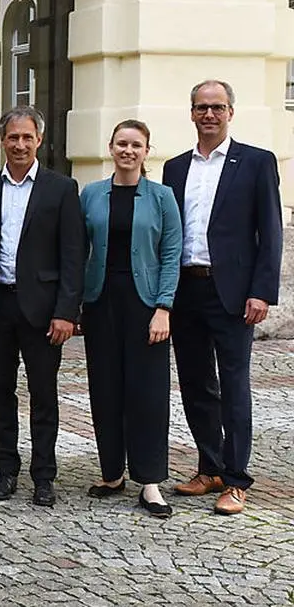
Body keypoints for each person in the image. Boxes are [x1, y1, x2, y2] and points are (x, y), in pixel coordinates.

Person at [162, 80, 283, 516]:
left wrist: (261, 291)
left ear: (231, 111)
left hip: (232, 291)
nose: (209, 115)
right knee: (195, 384)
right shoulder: (175, 168)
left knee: (234, 386)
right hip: (186, 288)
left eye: (217, 107)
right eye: (201, 108)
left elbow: (270, 231)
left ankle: (236, 479)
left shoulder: (255, 162)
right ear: (191, 113)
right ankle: (209, 466)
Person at [0, 106, 85, 508]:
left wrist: (67, 312)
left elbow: (73, 254)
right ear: (2, 141)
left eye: (27, 137)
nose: (19, 144)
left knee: (44, 394)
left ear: (39, 140)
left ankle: (44, 475)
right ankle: (6, 471)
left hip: (43, 310)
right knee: (0, 393)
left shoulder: (61, 188)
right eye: (12, 137)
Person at [80, 120, 182, 518]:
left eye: (136, 145)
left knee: (148, 393)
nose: (128, 150)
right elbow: (77, 250)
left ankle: (150, 480)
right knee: (105, 388)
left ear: (146, 151)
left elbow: (172, 253)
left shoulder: (162, 197)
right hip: (101, 301)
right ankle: (111, 473)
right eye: (121, 143)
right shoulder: (90, 195)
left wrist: (164, 308)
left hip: (146, 305)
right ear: (110, 148)